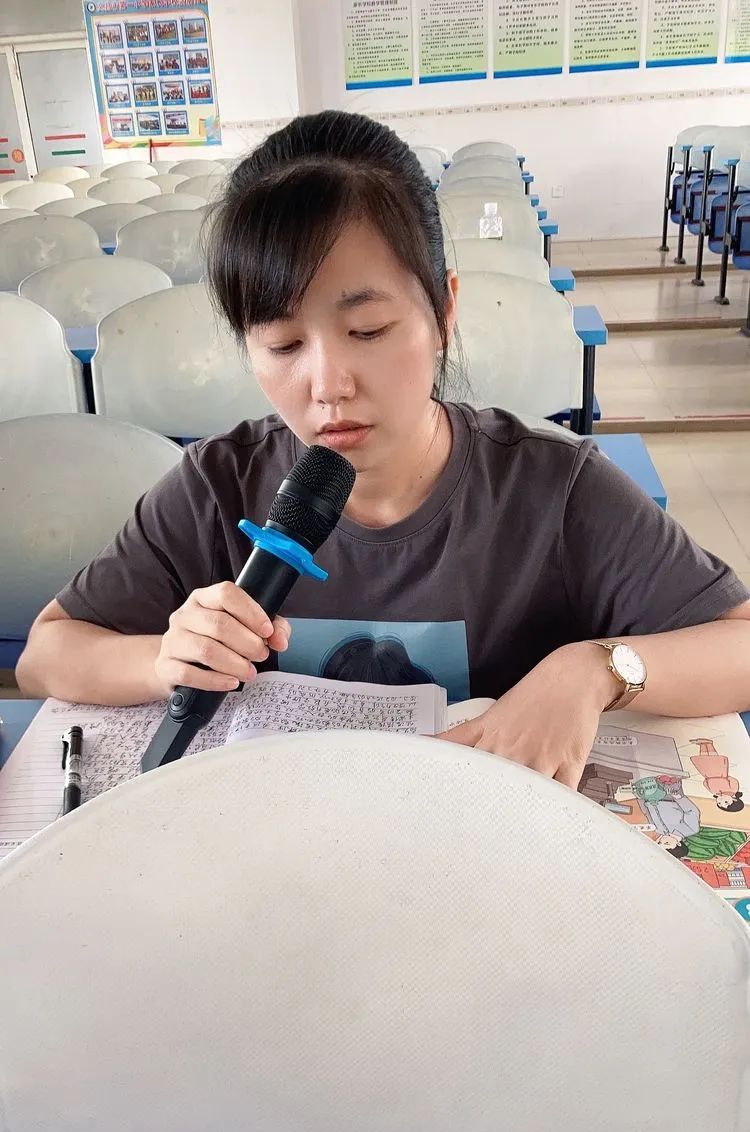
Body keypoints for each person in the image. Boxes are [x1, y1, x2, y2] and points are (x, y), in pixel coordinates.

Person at [16, 110, 750, 789]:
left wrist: (598, 670)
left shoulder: (553, 488)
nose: (328, 385)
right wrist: (161, 658)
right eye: (283, 343)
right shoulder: (220, 482)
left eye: (367, 331)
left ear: (443, 311)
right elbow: (46, 654)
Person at [689, 738, 745, 812]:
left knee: (703, 760)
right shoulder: (733, 790)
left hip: (707, 774)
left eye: (719, 803)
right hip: (720, 773)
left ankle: (702, 745)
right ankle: (709, 744)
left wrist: (707, 779)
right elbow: (733, 780)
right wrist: (725, 777)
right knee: (714, 758)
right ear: (734, 799)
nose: (720, 800)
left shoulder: (714, 791)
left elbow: (705, 784)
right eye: (725, 802)